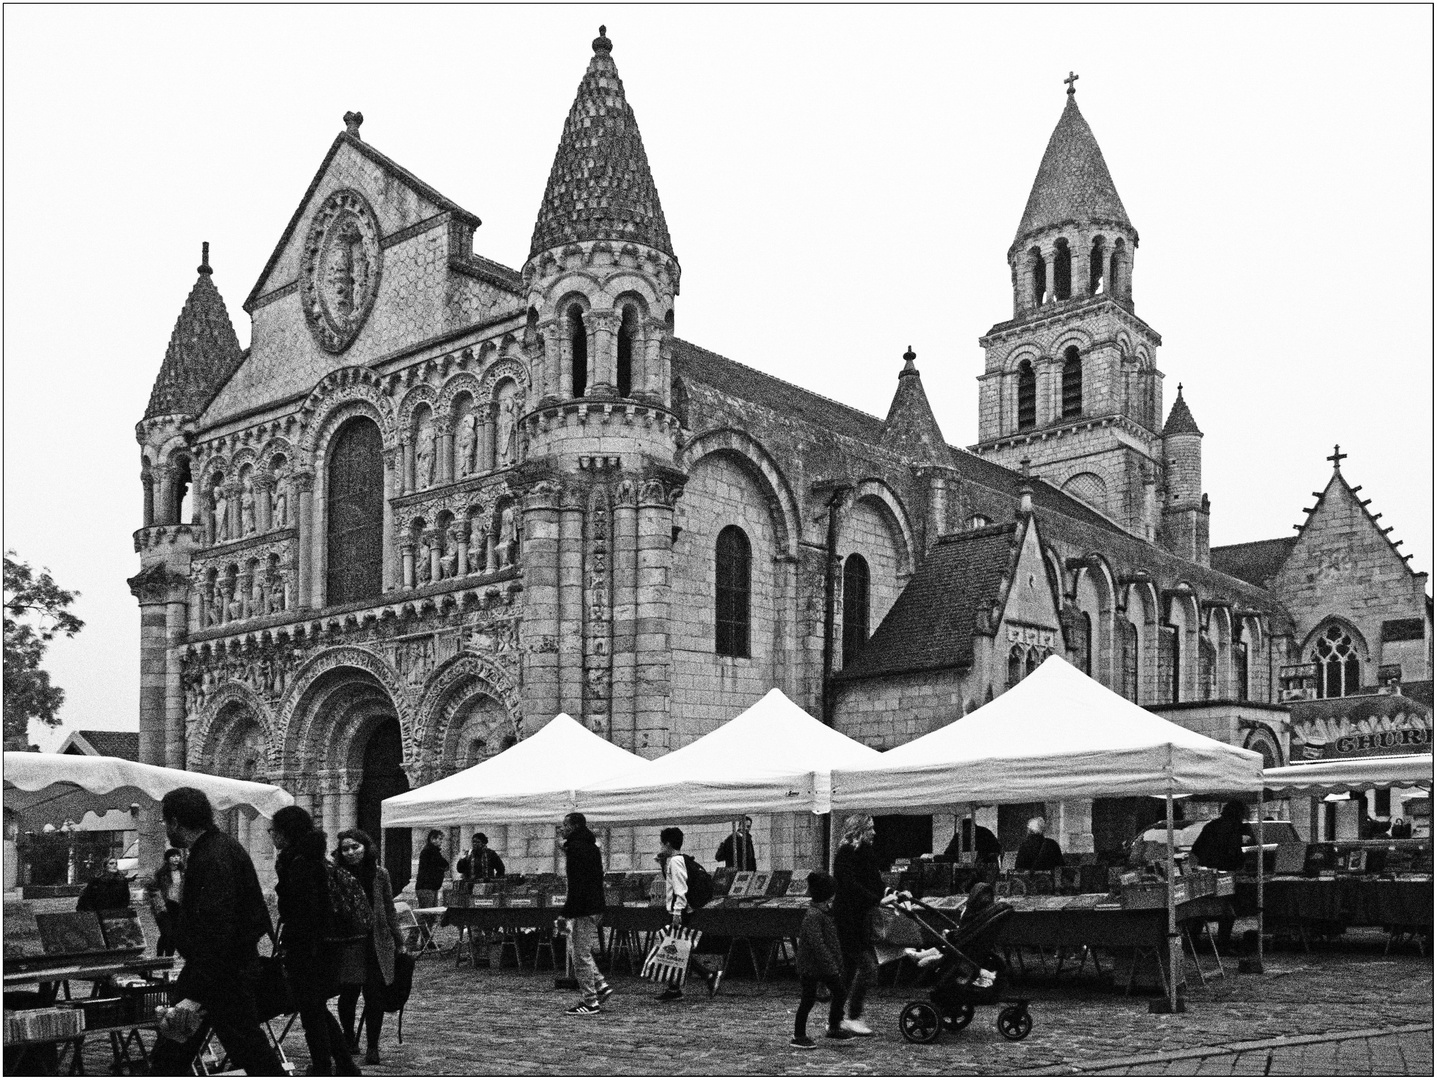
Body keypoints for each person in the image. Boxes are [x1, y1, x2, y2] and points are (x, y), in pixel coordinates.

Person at [148, 787, 283, 1076]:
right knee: (177, 1048)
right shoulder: (222, 847)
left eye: (165, 823)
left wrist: (198, 986)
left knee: (244, 1047)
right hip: (224, 970)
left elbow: (215, 925)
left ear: (174, 822)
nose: (165, 829)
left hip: (219, 974)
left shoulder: (211, 855)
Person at [271, 805, 360, 1077]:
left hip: (308, 948)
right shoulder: (312, 858)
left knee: (311, 1011)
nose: (271, 836)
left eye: (273, 830)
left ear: (286, 833)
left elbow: (300, 910)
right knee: (315, 1007)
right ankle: (344, 1065)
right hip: (321, 945)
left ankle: (324, 1066)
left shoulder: (299, 863)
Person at [334, 829, 407, 1066]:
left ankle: (373, 1046)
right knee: (349, 994)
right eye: (345, 848)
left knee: (374, 995)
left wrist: (399, 941)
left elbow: (388, 907)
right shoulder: (338, 874)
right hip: (350, 942)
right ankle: (348, 1037)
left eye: (355, 847)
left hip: (377, 941)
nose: (351, 852)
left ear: (366, 846)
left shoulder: (379, 874)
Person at [831, 814, 898, 1037]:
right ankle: (852, 1017)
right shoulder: (845, 853)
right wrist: (877, 899)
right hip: (848, 920)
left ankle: (838, 1020)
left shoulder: (866, 853)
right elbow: (850, 886)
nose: (874, 832)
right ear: (859, 830)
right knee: (867, 968)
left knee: (849, 971)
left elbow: (874, 882)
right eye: (870, 828)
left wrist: (890, 893)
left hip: (862, 919)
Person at [555, 812, 614, 1016]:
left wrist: (566, 912)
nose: (562, 828)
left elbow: (576, 884)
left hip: (583, 908)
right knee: (583, 951)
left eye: (565, 825)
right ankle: (601, 985)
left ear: (574, 826)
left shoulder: (576, 850)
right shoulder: (591, 847)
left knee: (579, 955)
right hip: (595, 905)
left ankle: (590, 1001)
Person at [655, 827, 720, 1002]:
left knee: (676, 950)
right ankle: (674, 987)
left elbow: (679, 888)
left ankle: (708, 975)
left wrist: (677, 912)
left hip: (679, 910)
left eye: (661, 843)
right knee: (675, 949)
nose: (660, 846)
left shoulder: (675, 861)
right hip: (682, 909)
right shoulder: (679, 860)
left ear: (667, 843)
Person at [790, 871, 852, 1049]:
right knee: (807, 1000)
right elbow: (818, 945)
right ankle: (798, 1034)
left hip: (825, 964)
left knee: (840, 992)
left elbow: (831, 941)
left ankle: (834, 1025)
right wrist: (832, 966)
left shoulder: (824, 912)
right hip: (812, 966)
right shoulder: (814, 915)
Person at [1191, 800, 1250, 951]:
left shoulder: (1211, 826)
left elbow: (1196, 849)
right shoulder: (1233, 828)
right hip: (1225, 874)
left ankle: (1193, 941)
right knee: (1226, 910)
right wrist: (1240, 863)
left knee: (1201, 907)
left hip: (1207, 872)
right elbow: (1233, 853)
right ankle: (1223, 943)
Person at [143, 848, 185, 957]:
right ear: (167, 859)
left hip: (178, 905)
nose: (176, 858)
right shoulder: (161, 874)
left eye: (178, 856)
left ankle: (169, 956)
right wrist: (160, 905)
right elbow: (153, 889)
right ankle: (159, 955)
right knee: (166, 932)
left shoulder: (183, 872)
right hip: (164, 906)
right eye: (173, 856)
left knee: (174, 933)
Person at [414, 829, 449, 909]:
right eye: (439, 839)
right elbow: (444, 864)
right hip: (426, 887)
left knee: (431, 912)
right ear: (433, 839)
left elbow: (444, 865)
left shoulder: (433, 851)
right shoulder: (430, 851)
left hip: (431, 887)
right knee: (428, 912)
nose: (441, 842)